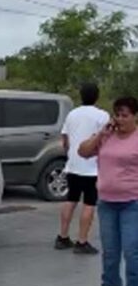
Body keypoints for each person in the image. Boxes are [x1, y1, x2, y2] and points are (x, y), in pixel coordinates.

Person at [77, 96, 138, 286]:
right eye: (117, 115)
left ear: (134, 117)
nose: (120, 119)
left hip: (132, 201)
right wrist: (101, 134)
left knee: (132, 249)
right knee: (111, 249)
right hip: (107, 201)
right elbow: (82, 151)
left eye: (125, 115)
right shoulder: (107, 136)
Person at [56, 82, 110, 253]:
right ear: (97, 96)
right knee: (89, 204)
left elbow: (65, 140)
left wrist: (71, 154)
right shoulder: (102, 115)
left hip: (73, 165)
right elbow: (106, 140)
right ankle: (82, 241)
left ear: (81, 95)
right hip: (92, 168)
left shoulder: (72, 114)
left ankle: (62, 237)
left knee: (70, 200)